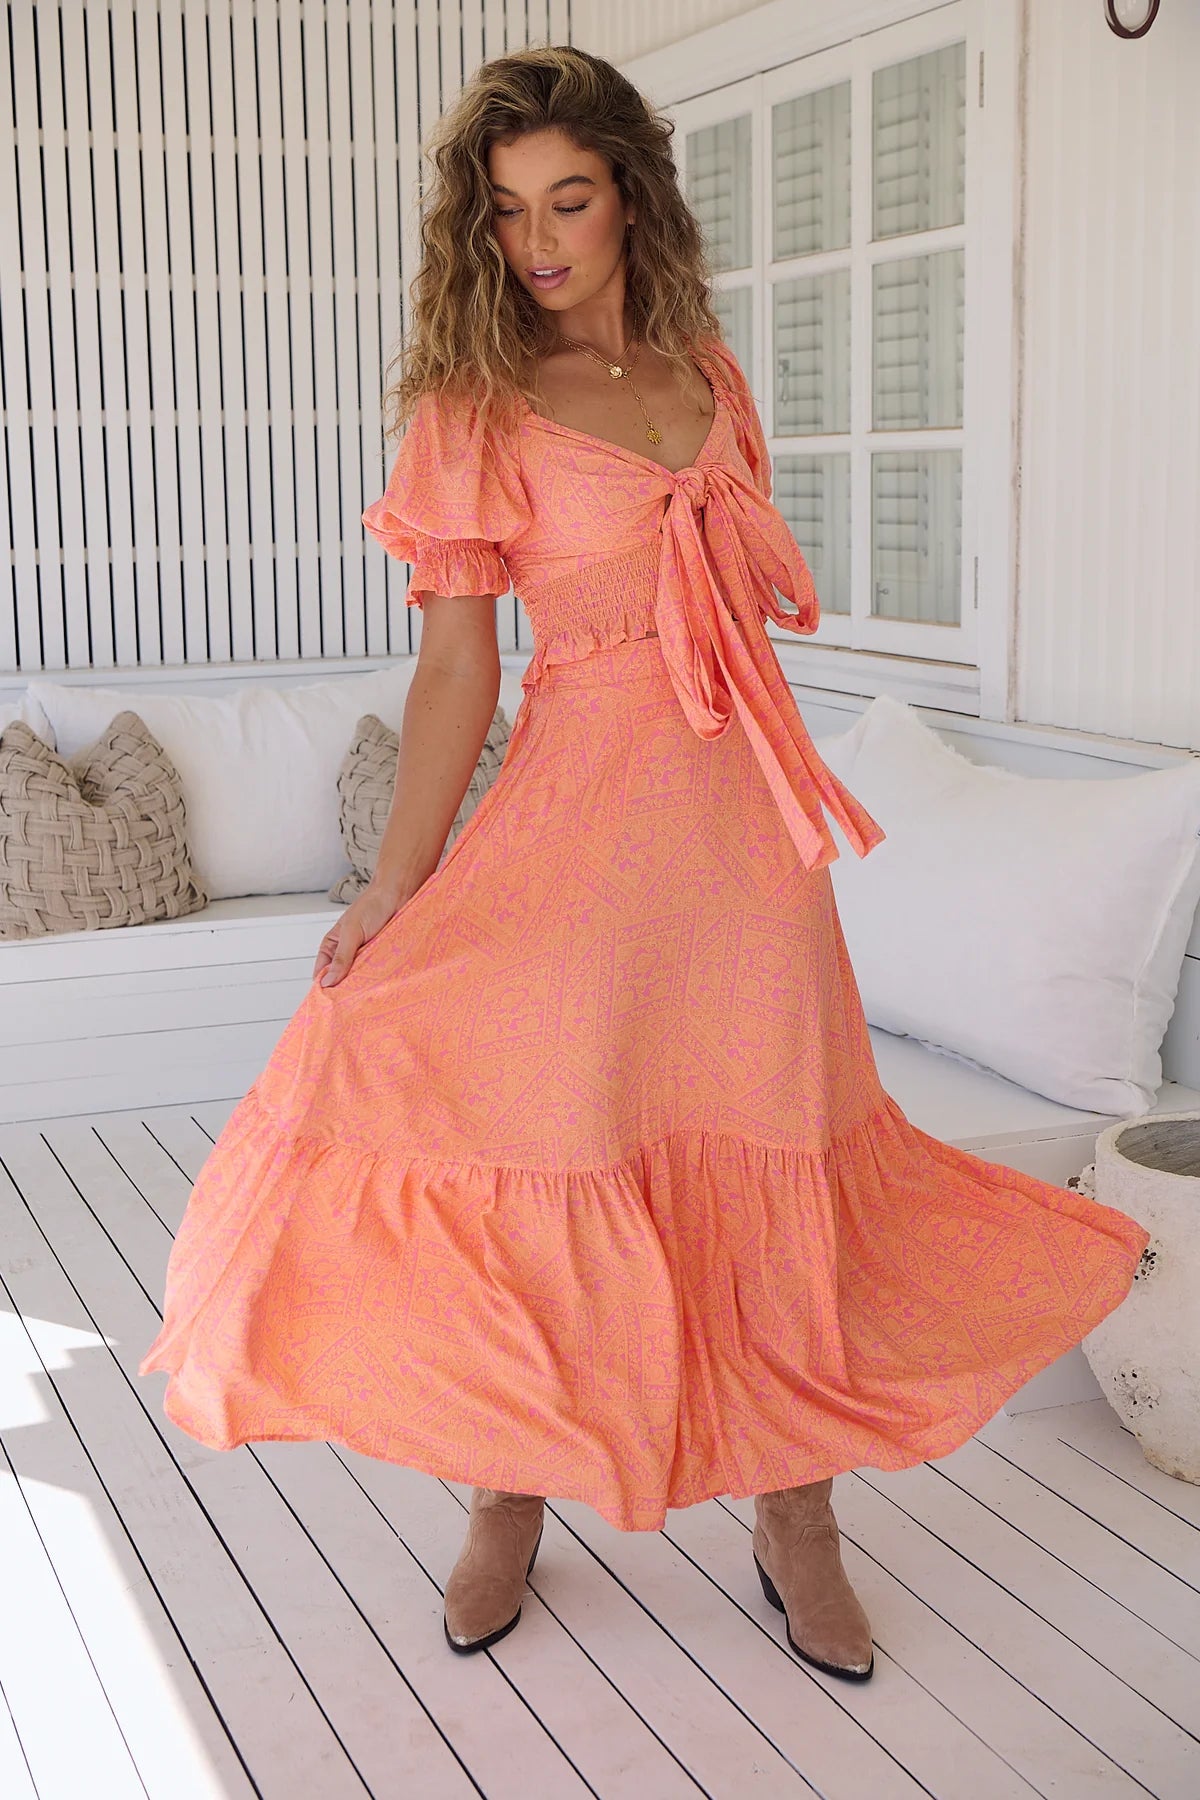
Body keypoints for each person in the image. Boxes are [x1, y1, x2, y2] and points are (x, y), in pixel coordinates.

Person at [138, 46, 1148, 1684]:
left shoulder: (708, 371)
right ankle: (510, 1494)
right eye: (508, 208)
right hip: (578, 827)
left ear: (631, 198)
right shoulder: (473, 406)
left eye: (570, 200)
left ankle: (797, 1521)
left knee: (777, 1161)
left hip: (746, 843)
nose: (538, 241)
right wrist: (394, 886)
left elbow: (738, 617)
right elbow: (457, 666)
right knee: (551, 1148)